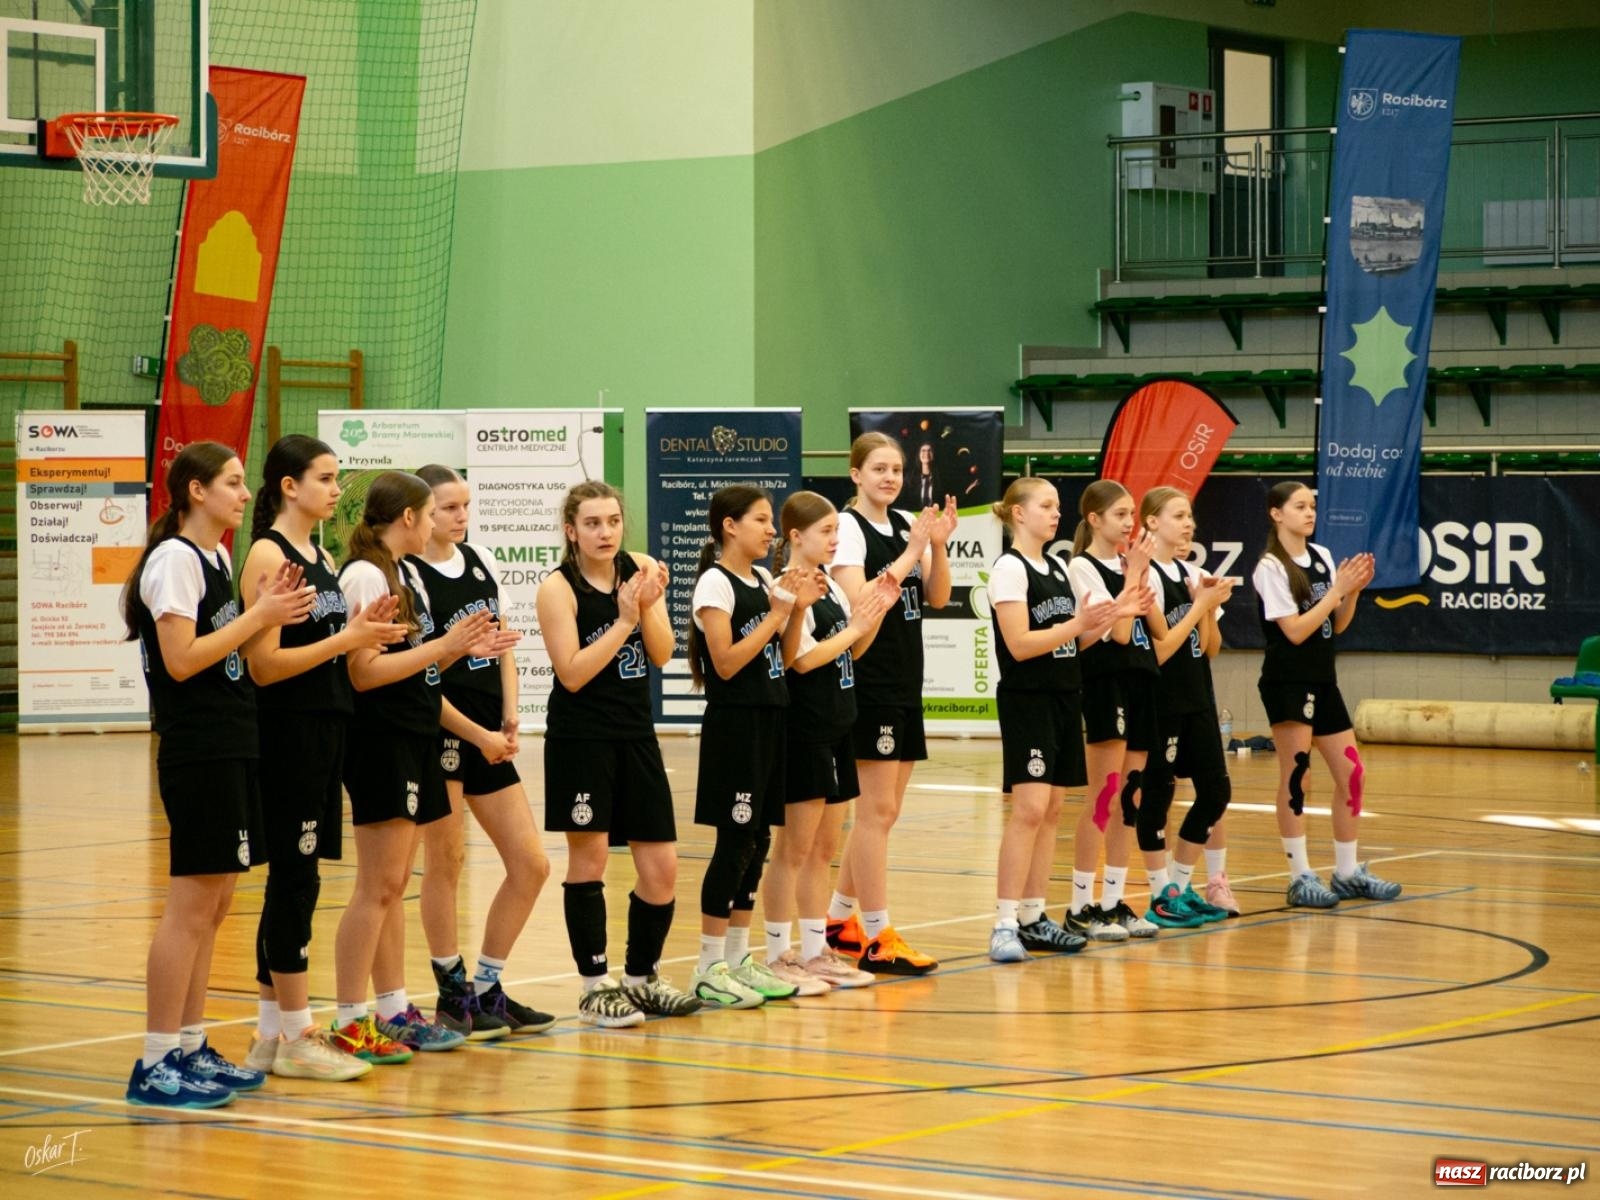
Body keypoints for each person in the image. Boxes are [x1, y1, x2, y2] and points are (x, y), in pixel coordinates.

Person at [123, 442, 316, 1107]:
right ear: (195, 492)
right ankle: (154, 1062)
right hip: (197, 746)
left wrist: (265, 611)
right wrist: (260, 618)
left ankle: (190, 1045)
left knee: (217, 904)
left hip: (233, 741)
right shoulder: (175, 560)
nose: (243, 493)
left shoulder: (217, 557)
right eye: (232, 483)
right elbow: (181, 661)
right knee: (190, 907)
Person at [241, 436, 408, 1083]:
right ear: (289, 486)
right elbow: (265, 664)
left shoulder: (320, 554)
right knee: (294, 879)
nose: (337, 489)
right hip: (289, 733)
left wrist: (369, 638)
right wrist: (348, 638)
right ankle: (298, 1033)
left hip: (326, 728)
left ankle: (268, 1037)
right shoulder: (268, 552)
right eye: (326, 477)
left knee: (299, 879)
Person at [330, 471, 510, 1061]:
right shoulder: (363, 574)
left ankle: (393, 1010)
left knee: (392, 887)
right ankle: (351, 1018)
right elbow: (363, 672)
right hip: (380, 741)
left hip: (416, 736)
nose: (439, 523)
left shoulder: (405, 576)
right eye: (433, 511)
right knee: (376, 887)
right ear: (408, 517)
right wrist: (446, 648)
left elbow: (424, 676)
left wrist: (479, 728)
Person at [537, 480, 702, 1027]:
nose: (604, 532)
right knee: (590, 861)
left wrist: (647, 606)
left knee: (662, 866)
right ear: (571, 531)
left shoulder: (640, 569)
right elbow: (573, 673)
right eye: (591, 523)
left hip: (636, 734)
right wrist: (624, 619)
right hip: (581, 738)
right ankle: (593, 986)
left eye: (612, 521)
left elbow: (662, 654)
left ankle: (641, 978)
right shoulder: (557, 589)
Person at [407, 465, 555, 1039]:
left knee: (531, 863)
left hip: (490, 733)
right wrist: (478, 732)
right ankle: (452, 990)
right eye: (448, 508)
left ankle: (489, 986)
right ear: (420, 513)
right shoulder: (411, 575)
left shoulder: (482, 560)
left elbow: (502, 648)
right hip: (444, 732)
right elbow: (418, 673)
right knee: (445, 863)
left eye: (466, 506)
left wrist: (512, 712)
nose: (461, 517)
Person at [827, 432, 956, 975]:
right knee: (875, 812)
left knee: (887, 811)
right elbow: (862, 604)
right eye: (878, 468)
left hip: (906, 681)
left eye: (897, 469)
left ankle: (839, 921)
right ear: (855, 474)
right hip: (869, 681)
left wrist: (939, 545)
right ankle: (878, 934)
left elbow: (940, 597)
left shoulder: (907, 525)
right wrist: (911, 552)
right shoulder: (849, 531)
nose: (889, 477)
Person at [687, 484, 814, 1008]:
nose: (771, 530)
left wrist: (797, 609)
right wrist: (775, 614)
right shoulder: (715, 584)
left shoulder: (763, 578)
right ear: (729, 526)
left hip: (771, 715)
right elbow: (725, 662)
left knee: (758, 841)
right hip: (734, 725)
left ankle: (739, 958)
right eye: (761, 520)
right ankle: (708, 964)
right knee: (733, 844)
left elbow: (781, 658)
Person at [762, 492, 895, 992]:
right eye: (825, 531)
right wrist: (858, 625)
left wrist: (873, 611)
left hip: (839, 724)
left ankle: (816, 951)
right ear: (795, 536)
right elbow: (801, 659)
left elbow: (852, 651)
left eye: (837, 530)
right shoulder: (786, 587)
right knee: (792, 849)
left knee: (823, 848)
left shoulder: (832, 588)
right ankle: (779, 955)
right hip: (803, 728)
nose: (834, 539)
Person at [985, 479, 1121, 962]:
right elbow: (1020, 644)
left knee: (1052, 811)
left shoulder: (1060, 567)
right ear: (1018, 514)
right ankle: (1003, 922)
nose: (1055, 513)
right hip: (1028, 699)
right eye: (1045, 505)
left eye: (1057, 506)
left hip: (1066, 696)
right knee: (1028, 809)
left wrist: (1106, 618)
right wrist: (1076, 625)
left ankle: (1033, 915)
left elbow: (1071, 643)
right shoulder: (1009, 568)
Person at [1253, 482, 1399, 907]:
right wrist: (1336, 590)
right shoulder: (1270, 567)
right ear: (1276, 514)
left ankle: (1348, 871)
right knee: (1298, 776)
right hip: (1287, 680)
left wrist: (1352, 591)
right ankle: (1300, 876)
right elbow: (1295, 631)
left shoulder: (1321, 557)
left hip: (1322, 679)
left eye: (1312, 505)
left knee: (1353, 774)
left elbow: (1336, 625)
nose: (1309, 512)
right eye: (1299, 506)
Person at [1133, 487, 1235, 929]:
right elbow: (1160, 649)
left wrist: (1208, 610)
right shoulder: (1146, 575)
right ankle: (1159, 894)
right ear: (1152, 522)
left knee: (1216, 791)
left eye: (1190, 515)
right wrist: (1200, 606)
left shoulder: (1194, 572)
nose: (1188, 523)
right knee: (1157, 795)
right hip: (1160, 698)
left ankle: (1180, 884)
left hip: (1198, 697)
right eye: (1178, 515)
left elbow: (1209, 648)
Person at [1064, 480, 1161, 941]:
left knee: (1131, 797)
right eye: (1120, 515)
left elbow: (1154, 628)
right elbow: (1119, 634)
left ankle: (1113, 900)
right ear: (1094, 520)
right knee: (1103, 796)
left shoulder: (1132, 565)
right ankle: (1080, 905)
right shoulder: (1082, 568)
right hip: (1106, 683)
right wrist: (1134, 576)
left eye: (1131, 515)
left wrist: (1139, 573)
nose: (1129, 523)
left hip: (1142, 681)